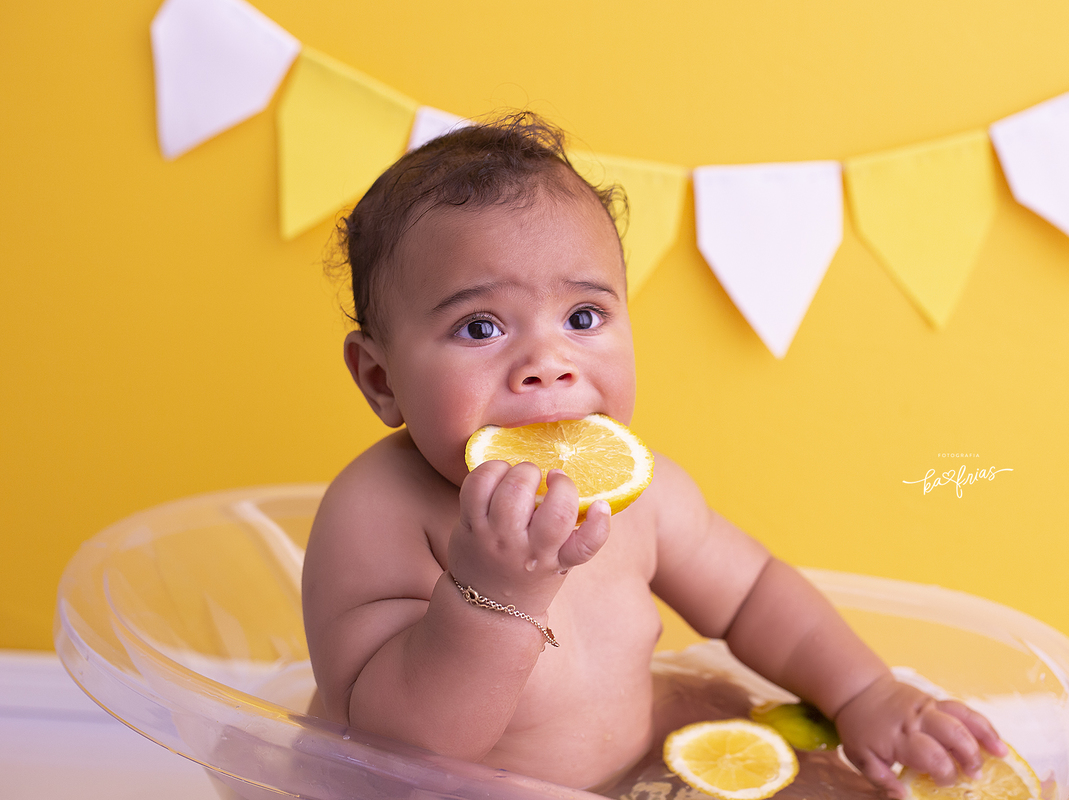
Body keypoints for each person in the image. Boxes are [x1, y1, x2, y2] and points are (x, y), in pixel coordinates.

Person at [301, 112, 1006, 798]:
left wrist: (863, 693)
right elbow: (398, 753)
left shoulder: (647, 493)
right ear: (381, 379)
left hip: (637, 768)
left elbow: (754, 594)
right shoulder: (376, 514)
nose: (547, 363)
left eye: (583, 317)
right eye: (480, 326)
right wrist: (495, 594)